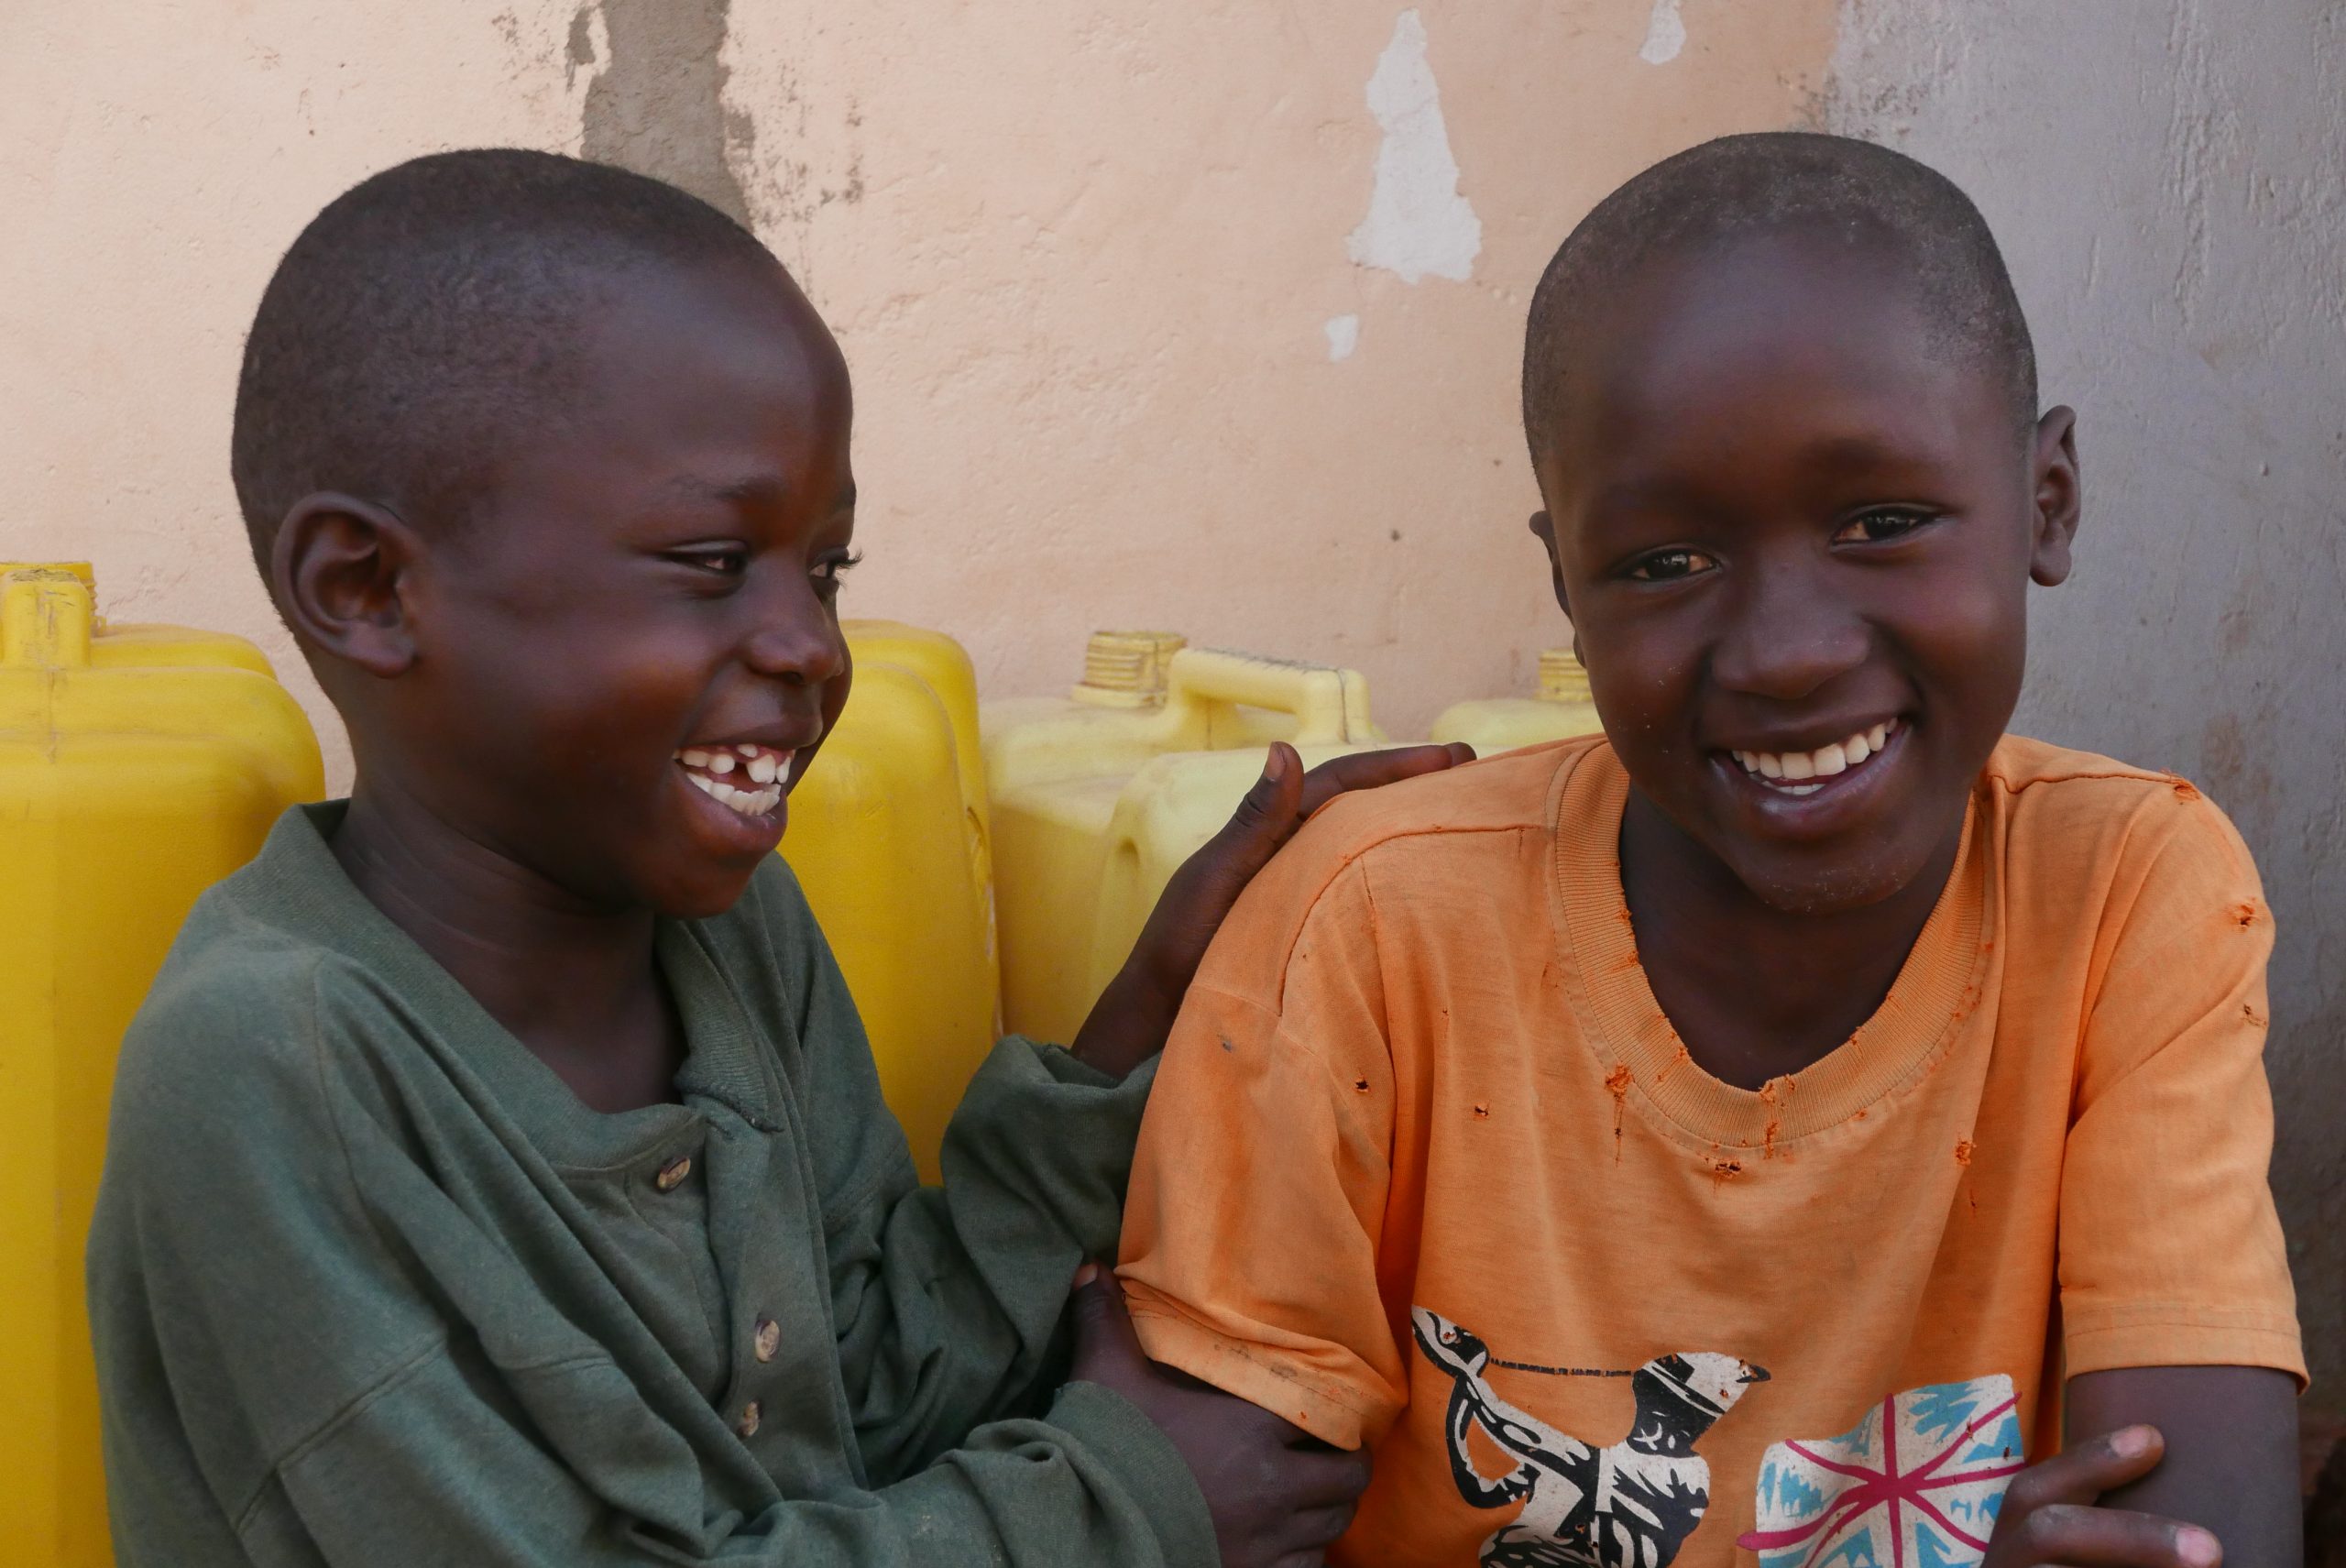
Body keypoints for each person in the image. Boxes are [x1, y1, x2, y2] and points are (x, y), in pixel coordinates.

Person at [85, 148, 1469, 1568]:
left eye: (824, 569)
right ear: (368, 590)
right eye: (711, 560)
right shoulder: (274, 1071)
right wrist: (1119, 1504)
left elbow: (870, 1405)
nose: (810, 644)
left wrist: (1153, 1009)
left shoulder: (729, 934)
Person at [1113, 132, 2304, 1568]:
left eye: (1883, 523)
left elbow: (2202, 1524)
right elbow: (1208, 1518)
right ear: (1568, 583)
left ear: (2047, 501)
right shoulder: (1370, 925)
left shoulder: (2125, 890)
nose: (1787, 654)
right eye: (1665, 563)